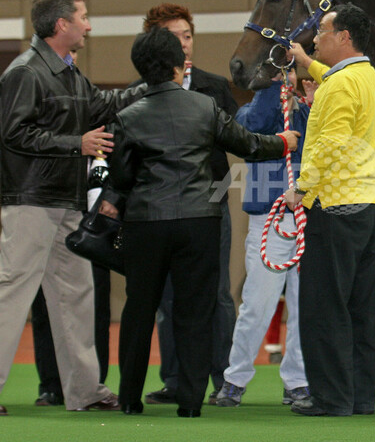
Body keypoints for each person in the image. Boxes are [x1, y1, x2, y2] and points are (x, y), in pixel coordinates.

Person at [100, 27, 299, 417]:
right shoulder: (204, 107)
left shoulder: (126, 117)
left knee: (139, 311)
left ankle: (129, 399)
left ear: (141, 69)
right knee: (196, 311)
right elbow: (247, 143)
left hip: (146, 223)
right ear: (179, 66)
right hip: (199, 221)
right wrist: (284, 142)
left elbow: (120, 179)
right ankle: (191, 403)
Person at [0, 0, 146, 415]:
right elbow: (12, 133)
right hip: (30, 200)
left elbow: (104, 105)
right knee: (12, 293)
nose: (89, 25)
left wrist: (154, 82)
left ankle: (84, 391)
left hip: (65, 201)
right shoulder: (25, 72)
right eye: (83, 16)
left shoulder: (69, 73)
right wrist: (75, 144)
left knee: (77, 296)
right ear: (61, 24)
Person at [284, 3, 375, 416]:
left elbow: (330, 143)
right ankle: (359, 397)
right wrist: (307, 64)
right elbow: (334, 80)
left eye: (322, 31)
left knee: (324, 307)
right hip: (367, 207)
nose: (314, 38)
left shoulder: (339, 85)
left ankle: (331, 398)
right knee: (360, 308)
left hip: (335, 205)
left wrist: (301, 188)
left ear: (344, 37)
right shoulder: (370, 77)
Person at [135, 4, 239, 407]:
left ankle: (224, 379)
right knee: (168, 298)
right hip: (160, 207)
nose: (183, 44)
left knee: (217, 294)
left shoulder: (215, 87)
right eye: (173, 37)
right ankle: (176, 380)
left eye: (188, 35)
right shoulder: (140, 92)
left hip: (210, 202)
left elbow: (237, 137)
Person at [216, 66, 311, 407]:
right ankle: (235, 378)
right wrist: (272, 90)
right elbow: (251, 131)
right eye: (277, 72)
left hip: (307, 218)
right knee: (257, 304)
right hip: (268, 220)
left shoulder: (308, 112)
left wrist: (315, 106)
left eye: (290, 71)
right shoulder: (251, 111)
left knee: (304, 308)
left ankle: (298, 380)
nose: (286, 77)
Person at [29, 49, 113, 408]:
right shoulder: (35, 95)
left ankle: (90, 384)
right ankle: (51, 383)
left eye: (77, 52)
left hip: (89, 216)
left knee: (91, 300)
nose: (73, 57)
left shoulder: (93, 102)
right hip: (43, 205)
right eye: (69, 51)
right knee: (41, 301)